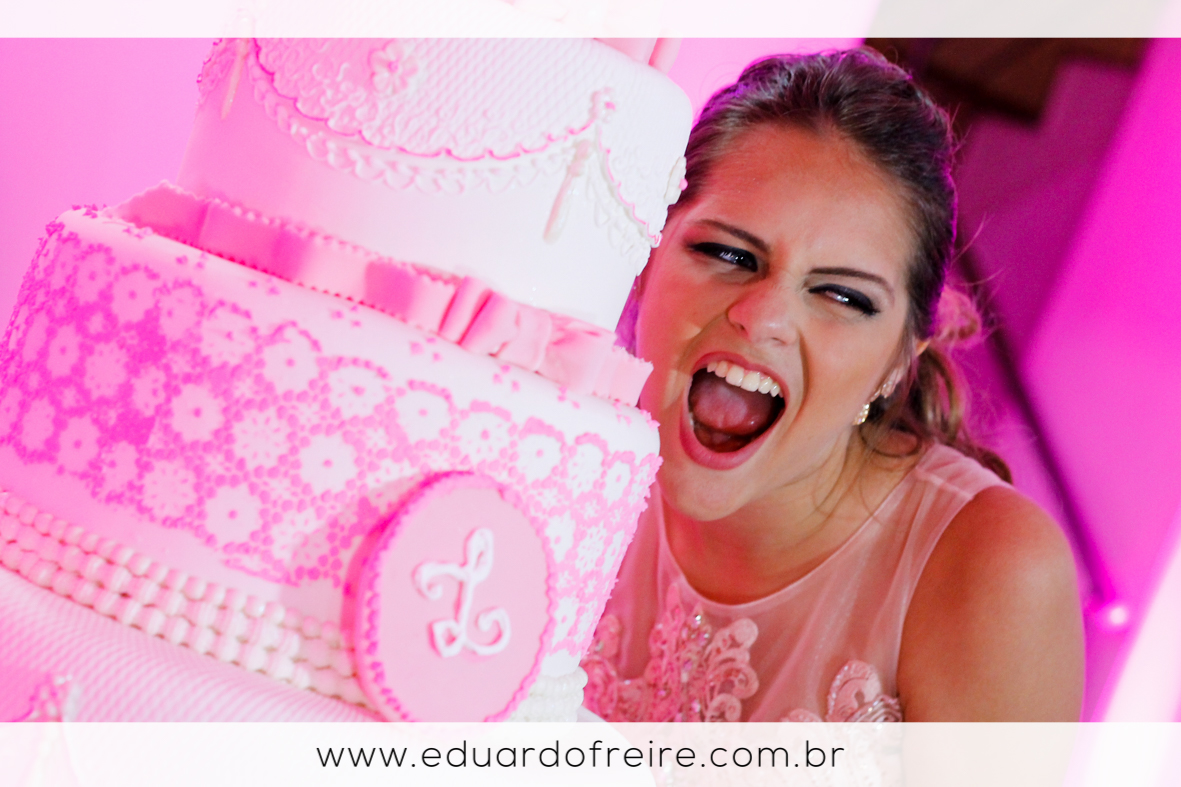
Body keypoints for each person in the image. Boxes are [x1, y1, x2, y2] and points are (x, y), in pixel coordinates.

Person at [581, 49, 1084, 722]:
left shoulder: (994, 568)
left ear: (897, 363)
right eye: (728, 254)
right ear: (646, 259)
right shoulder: (556, 441)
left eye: (842, 296)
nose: (764, 317)